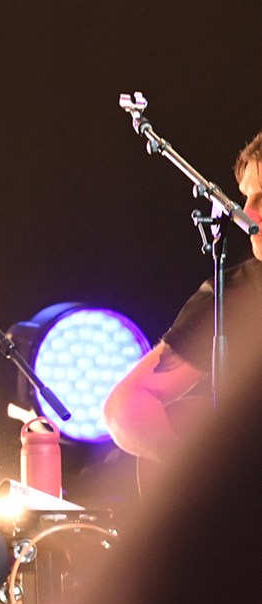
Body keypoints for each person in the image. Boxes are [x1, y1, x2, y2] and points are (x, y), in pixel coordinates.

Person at [103, 129, 262, 470]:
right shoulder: (233, 297)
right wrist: (202, 482)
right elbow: (126, 404)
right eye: (246, 198)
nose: (248, 213)